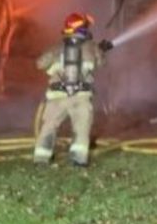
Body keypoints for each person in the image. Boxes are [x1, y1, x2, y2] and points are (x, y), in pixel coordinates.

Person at [33, 13, 113, 166]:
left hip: (56, 97)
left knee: (48, 127)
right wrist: (101, 49)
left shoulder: (56, 47)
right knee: (81, 128)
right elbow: (101, 64)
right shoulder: (92, 46)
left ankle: (41, 158)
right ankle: (78, 159)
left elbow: (39, 64)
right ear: (83, 29)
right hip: (81, 97)